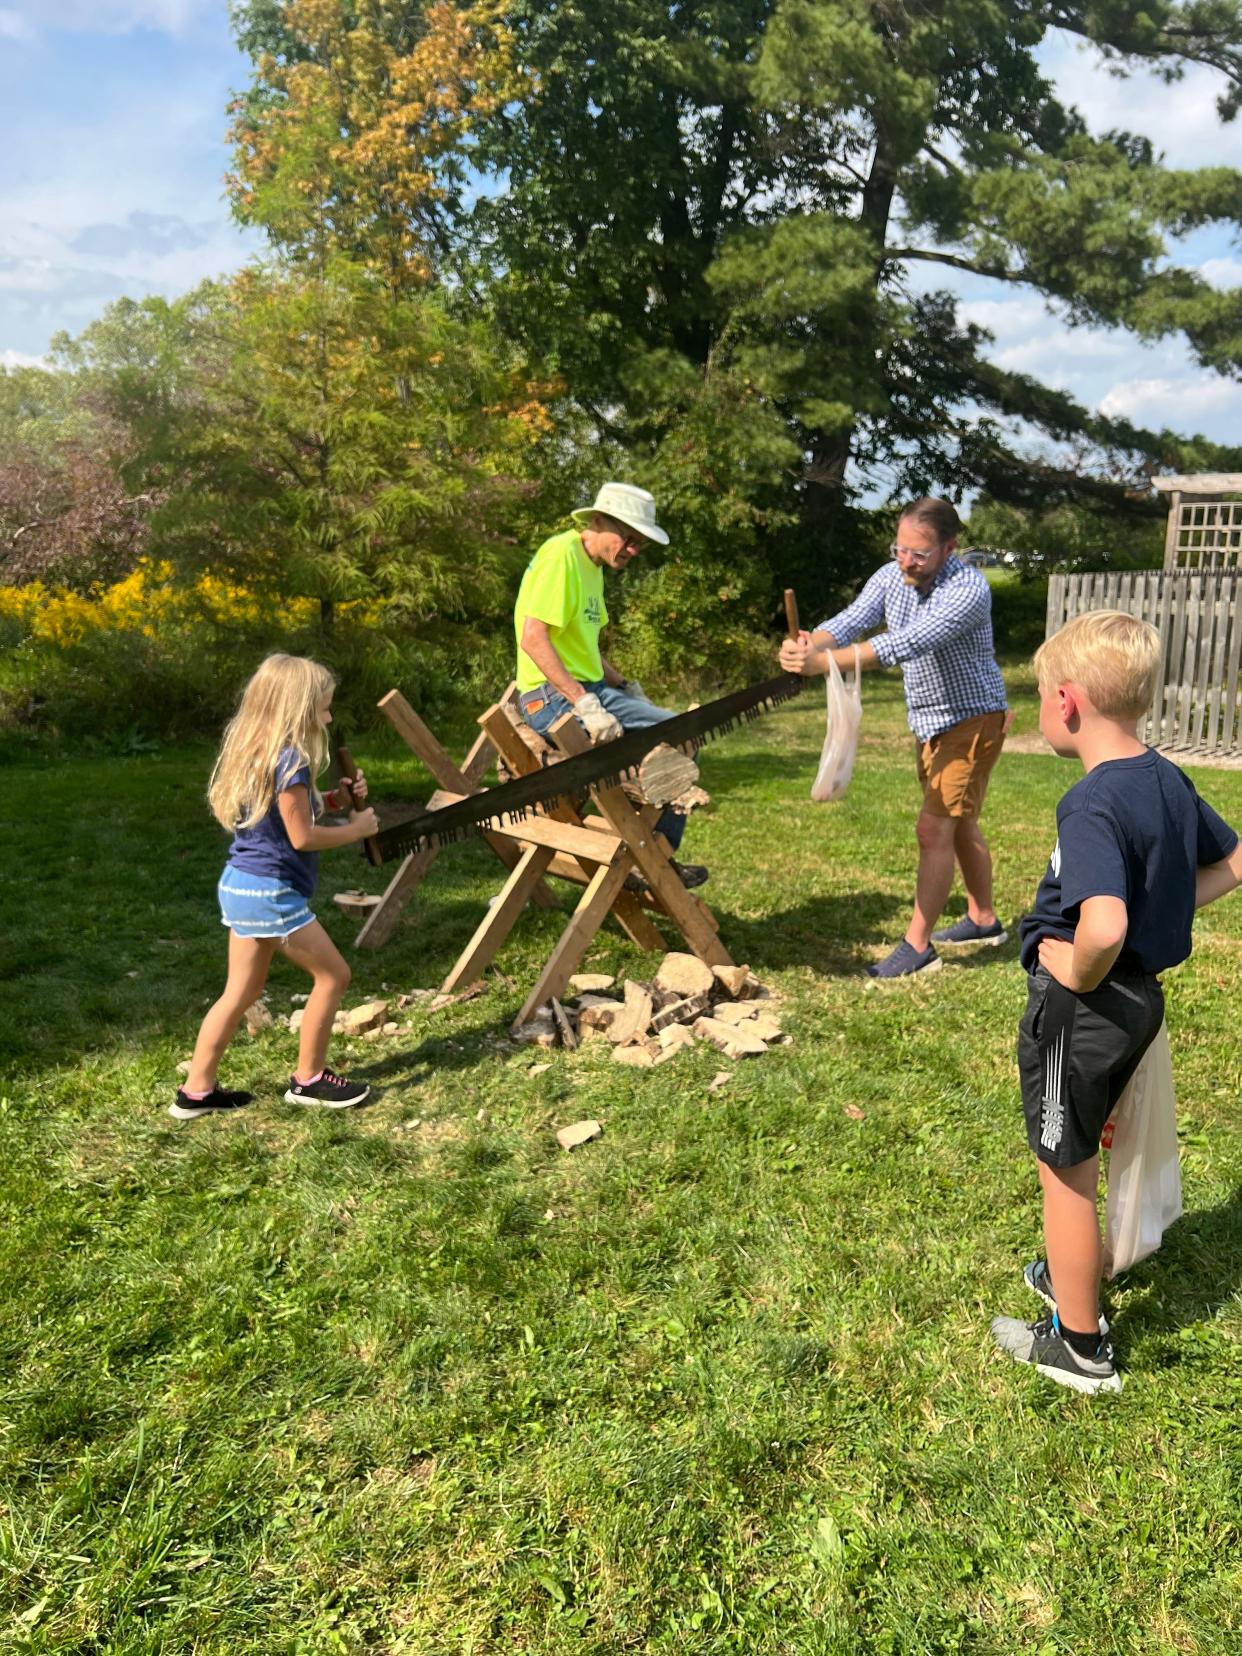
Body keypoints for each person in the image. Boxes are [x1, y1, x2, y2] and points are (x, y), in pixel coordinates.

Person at [991, 611, 1240, 1393]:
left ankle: (1077, 1343)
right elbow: (1233, 861)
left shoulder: (1092, 801)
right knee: (1094, 1138)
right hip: (1140, 1007)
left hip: (1087, 1012)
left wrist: (1078, 971)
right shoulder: (1165, 776)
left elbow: (1102, 921)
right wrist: (1161, 916)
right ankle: (1078, 1277)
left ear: (1065, 702)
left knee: (1064, 1168)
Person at [779, 497, 1010, 978]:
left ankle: (918, 948)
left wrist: (827, 665)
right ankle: (984, 919)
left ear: (950, 547)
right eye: (900, 548)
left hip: (972, 719)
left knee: (934, 829)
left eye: (919, 553)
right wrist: (810, 645)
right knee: (957, 821)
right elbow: (849, 622)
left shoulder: (968, 589)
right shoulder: (891, 576)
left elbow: (905, 643)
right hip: (929, 720)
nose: (906, 561)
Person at [171, 653, 381, 1120]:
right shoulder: (291, 761)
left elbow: (288, 816)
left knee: (240, 992)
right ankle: (310, 1079)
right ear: (299, 710)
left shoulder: (258, 751)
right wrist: (358, 828)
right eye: (324, 709)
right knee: (334, 975)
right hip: (271, 893)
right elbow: (301, 836)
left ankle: (197, 1092)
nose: (329, 717)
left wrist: (335, 799)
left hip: (240, 886)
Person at [514, 480, 708, 888]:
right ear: (598, 521)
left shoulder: (593, 569)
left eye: (640, 544)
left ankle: (653, 854)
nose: (633, 550)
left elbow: (586, 648)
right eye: (628, 539)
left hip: (589, 689)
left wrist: (626, 687)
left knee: (683, 734)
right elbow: (533, 639)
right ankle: (651, 858)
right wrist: (583, 702)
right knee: (665, 748)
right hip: (549, 699)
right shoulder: (560, 555)